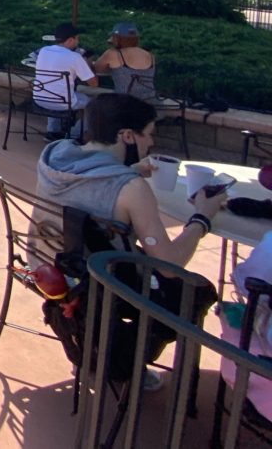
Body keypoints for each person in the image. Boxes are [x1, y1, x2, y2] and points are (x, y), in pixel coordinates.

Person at [36, 94, 223, 385]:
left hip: (52, 269)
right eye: (147, 135)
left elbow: (91, 186)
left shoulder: (54, 154)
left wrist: (129, 169)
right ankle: (123, 359)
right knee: (195, 291)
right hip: (98, 285)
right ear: (126, 136)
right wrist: (202, 218)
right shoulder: (131, 189)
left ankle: (91, 343)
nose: (150, 143)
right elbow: (169, 265)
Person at [33, 22, 98, 137]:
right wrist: (87, 63)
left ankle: (53, 131)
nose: (78, 42)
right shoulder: (75, 57)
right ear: (70, 40)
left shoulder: (43, 51)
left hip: (39, 99)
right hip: (63, 103)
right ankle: (73, 135)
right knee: (94, 104)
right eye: (77, 39)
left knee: (55, 90)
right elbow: (94, 83)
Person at [93, 22, 157, 102]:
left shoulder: (113, 54)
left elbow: (97, 69)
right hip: (150, 102)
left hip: (125, 103)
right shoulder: (149, 55)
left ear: (116, 38)